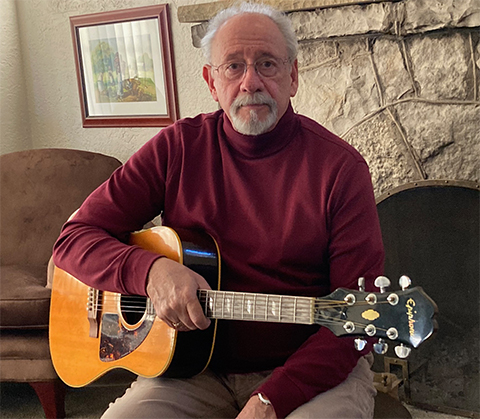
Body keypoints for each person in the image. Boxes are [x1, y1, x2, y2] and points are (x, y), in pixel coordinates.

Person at [53, 3, 384, 418]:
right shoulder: (176, 148)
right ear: (211, 81)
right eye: (233, 67)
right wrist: (151, 272)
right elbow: (73, 240)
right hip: (192, 370)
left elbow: (355, 319)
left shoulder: (341, 169)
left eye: (267, 64)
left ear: (293, 76)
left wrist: (272, 399)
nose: (251, 82)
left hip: (310, 372)